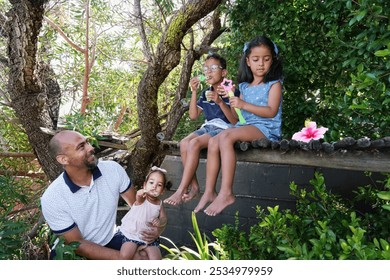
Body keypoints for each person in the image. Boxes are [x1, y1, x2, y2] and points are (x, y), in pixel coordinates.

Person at [194, 35, 283, 216]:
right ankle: (211, 191)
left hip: (266, 128)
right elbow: (236, 119)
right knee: (213, 141)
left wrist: (243, 105)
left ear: (272, 61)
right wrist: (225, 101)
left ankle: (227, 192)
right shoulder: (243, 87)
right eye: (256, 59)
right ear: (248, 61)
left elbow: (271, 111)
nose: (261, 64)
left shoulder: (274, 85)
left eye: (266, 59)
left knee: (225, 136)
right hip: (246, 126)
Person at [41, 130, 162, 259]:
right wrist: (125, 260)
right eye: (81, 147)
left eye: (87, 142)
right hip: (74, 252)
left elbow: (140, 209)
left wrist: (156, 229)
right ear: (63, 159)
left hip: (111, 238)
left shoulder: (113, 170)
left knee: (147, 257)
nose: (91, 148)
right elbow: (77, 244)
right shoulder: (52, 198)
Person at [164, 53, 239, 206]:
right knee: (184, 143)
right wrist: (193, 91)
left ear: (224, 72)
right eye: (205, 69)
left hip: (225, 129)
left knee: (194, 143)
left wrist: (219, 102)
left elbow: (234, 120)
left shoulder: (231, 90)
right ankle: (194, 187)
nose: (208, 72)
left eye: (213, 68)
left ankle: (181, 190)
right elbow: (193, 116)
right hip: (208, 126)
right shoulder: (205, 93)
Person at [118, 166, 169, 260]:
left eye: (159, 185)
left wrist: (160, 221)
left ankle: (142, 250)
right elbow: (138, 196)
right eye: (151, 182)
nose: (154, 186)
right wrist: (140, 193)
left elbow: (164, 218)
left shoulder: (159, 204)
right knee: (125, 255)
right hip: (133, 234)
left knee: (156, 259)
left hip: (148, 237)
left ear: (163, 191)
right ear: (145, 185)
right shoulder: (142, 199)